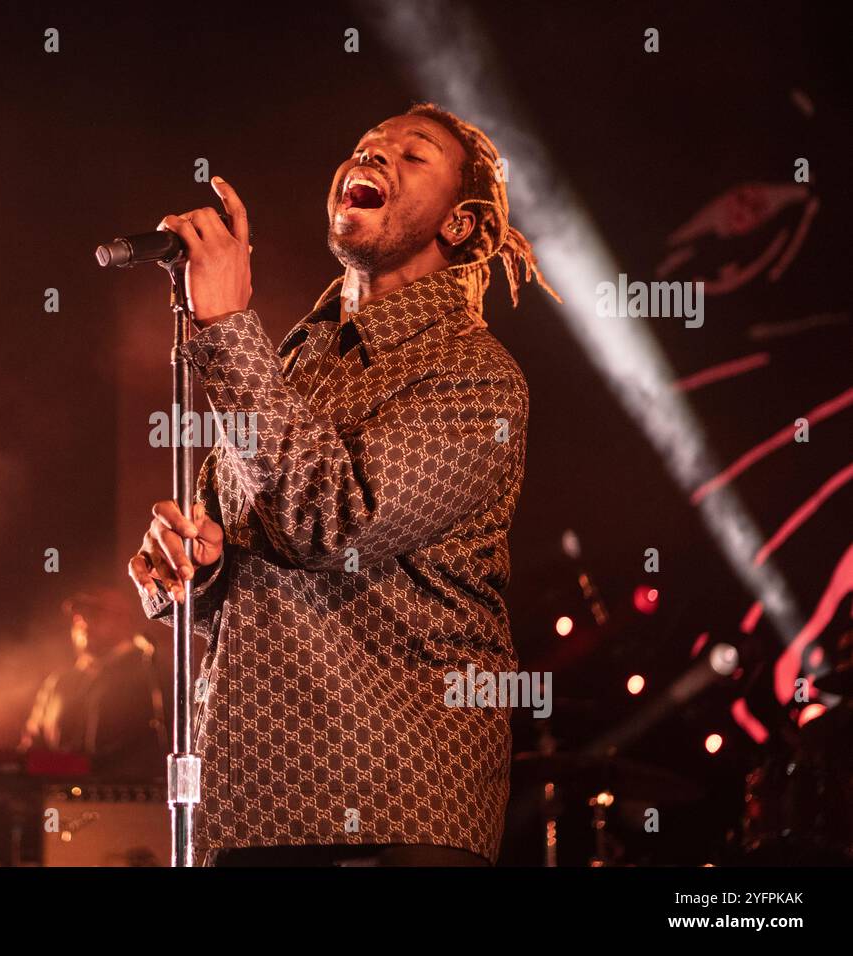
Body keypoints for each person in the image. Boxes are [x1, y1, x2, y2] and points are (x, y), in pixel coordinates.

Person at [128, 102, 558, 866]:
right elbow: (258, 563)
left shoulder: (476, 375)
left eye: (413, 154)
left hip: (395, 803)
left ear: (457, 225)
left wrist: (225, 323)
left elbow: (333, 522)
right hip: (250, 801)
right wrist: (200, 569)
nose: (376, 156)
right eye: (366, 147)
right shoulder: (291, 365)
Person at [20, 587, 166, 779]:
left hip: (125, 798)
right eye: (79, 617)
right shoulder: (58, 683)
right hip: (60, 801)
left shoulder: (150, 672)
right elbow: (32, 747)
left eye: (96, 614)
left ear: (124, 620)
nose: (84, 623)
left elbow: (150, 747)